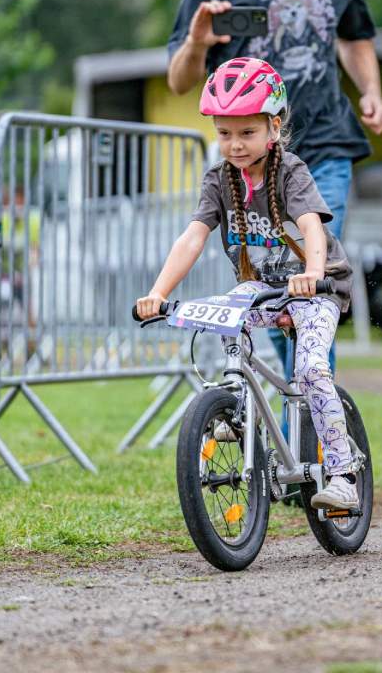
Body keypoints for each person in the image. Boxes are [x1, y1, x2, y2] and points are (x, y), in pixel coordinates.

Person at [167, 0, 382, 372]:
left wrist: (371, 90)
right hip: (253, 167)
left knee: (310, 284)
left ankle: (309, 428)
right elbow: (179, 80)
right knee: (274, 290)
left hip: (324, 149)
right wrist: (199, 41)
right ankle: (296, 419)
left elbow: (354, 39)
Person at [136, 58, 359, 510]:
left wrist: (313, 274)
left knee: (312, 370)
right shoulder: (218, 180)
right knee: (222, 313)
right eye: (224, 134)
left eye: (246, 133)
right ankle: (235, 403)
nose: (234, 145)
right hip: (263, 290)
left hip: (316, 289)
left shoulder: (289, 171)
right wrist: (158, 293)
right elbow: (193, 237)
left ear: (273, 128)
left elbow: (312, 227)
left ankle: (342, 474)